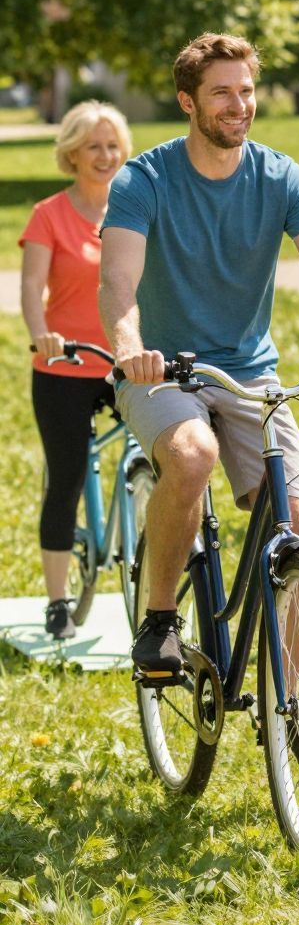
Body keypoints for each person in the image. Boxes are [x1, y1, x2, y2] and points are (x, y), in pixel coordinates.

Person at [100, 32, 299, 700]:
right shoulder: (144, 180)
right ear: (187, 101)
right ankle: (159, 621)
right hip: (164, 371)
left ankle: (289, 701)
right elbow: (118, 280)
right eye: (222, 93)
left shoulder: (281, 176)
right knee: (192, 451)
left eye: (247, 91)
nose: (239, 105)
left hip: (250, 372)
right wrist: (128, 347)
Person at [19, 100, 132, 640]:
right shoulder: (49, 215)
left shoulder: (135, 209)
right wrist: (41, 333)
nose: (106, 155)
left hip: (124, 362)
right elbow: (31, 292)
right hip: (63, 365)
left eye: (113, 145)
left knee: (160, 457)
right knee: (64, 479)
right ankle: (58, 601)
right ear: (72, 153)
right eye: (94, 146)